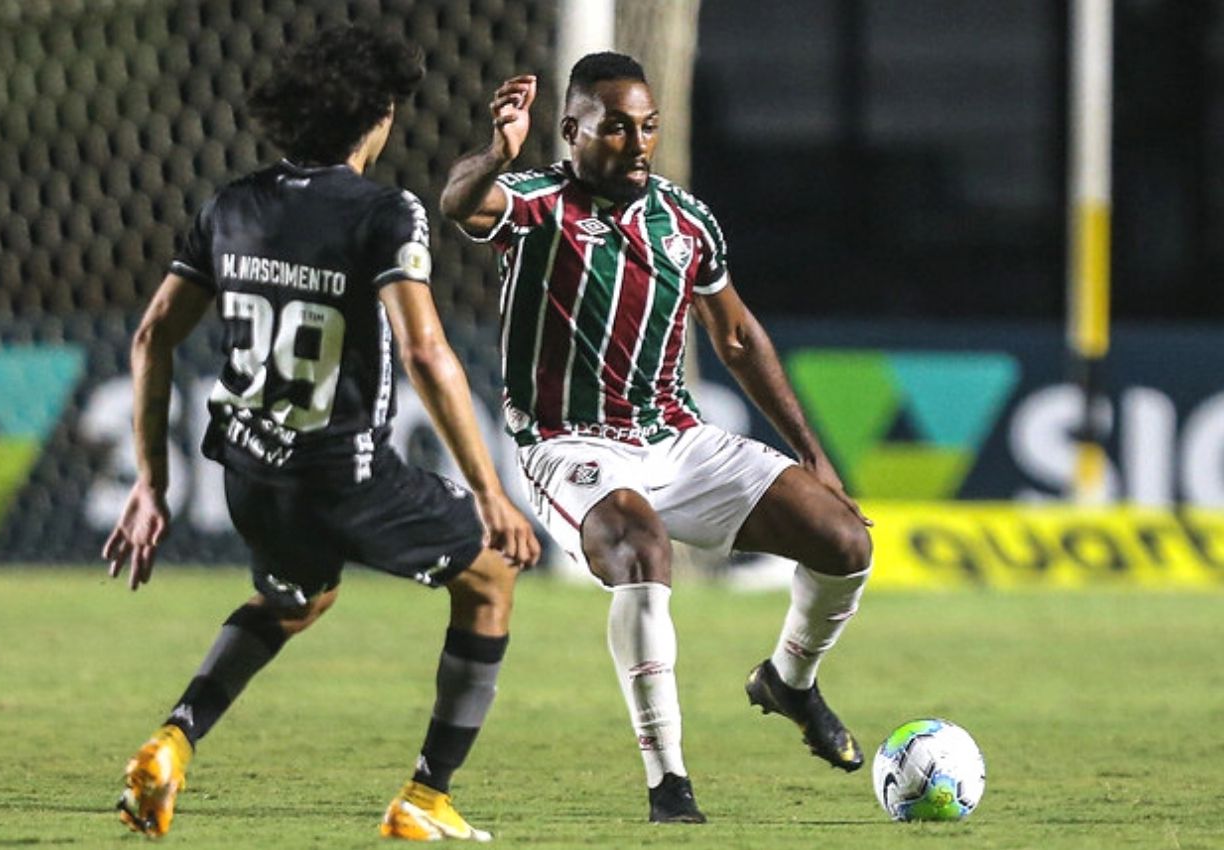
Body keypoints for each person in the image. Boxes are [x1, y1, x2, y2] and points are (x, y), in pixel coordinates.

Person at [101, 25, 540, 842]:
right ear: (376, 116)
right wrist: (491, 494)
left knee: (298, 596)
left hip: (249, 474)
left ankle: (172, 742)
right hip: (345, 476)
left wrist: (151, 484)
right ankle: (426, 797)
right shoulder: (383, 212)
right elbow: (424, 351)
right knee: (489, 579)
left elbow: (151, 336)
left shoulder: (231, 204)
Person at [439, 52, 873, 824]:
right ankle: (669, 784)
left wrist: (810, 451)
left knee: (844, 541)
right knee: (641, 552)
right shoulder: (538, 202)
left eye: (647, 127)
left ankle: (790, 682)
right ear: (571, 131)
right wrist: (496, 154)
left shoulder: (686, 220)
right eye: (614, 128)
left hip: (677, 439)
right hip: (566, 443)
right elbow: (459, 206)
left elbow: (735, 337)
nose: (636, 143)